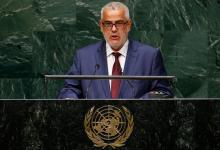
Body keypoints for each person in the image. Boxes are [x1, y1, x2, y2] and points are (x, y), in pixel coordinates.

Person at [58, 1, 173, 99]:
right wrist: (70, 100)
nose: (113, 29)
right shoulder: (84, 56)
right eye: (108, 24)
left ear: (128, 25)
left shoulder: (150, 56)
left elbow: (163, 91)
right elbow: (70, 88)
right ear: (101, 26)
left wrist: (139, 105)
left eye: (119, 23)